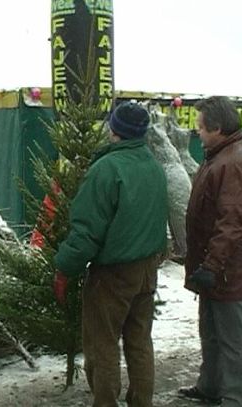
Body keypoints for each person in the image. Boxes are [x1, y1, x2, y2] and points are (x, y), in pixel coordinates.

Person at [53, 101, 169, 407]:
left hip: (113, 274)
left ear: (113, 129)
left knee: (102, 343)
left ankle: (105, 403)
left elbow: (87, 230)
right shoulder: (153, 166)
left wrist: (65, 267)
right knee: (139, 341)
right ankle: (141, 401)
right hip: (147, 269)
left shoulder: (106, 169)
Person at [179, 96, 242, 407]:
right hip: (216, 263)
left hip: (231, 266)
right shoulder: (219, 154)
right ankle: (211, 386)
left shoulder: (235, 162)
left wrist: (212, 266)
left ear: (217, 127)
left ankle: (235, 398)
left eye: (200, 126)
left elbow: (232, 221)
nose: (196, 131)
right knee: (212, 330)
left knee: (234, 338)